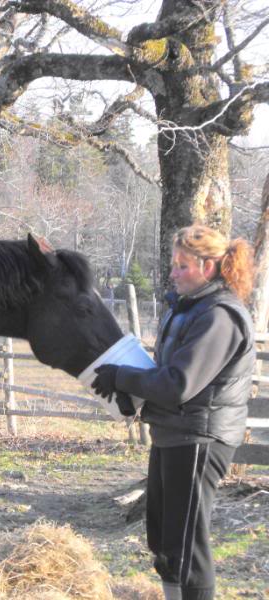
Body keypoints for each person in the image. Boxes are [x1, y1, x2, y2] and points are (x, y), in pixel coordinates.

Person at [91, 224, 256, 600]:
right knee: (165, 541)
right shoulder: (188, 310)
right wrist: (126, 389)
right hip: (173, 432)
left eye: (182, 266)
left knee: (187, 546)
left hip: (200, 437)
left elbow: (180, 383)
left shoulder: (220, 317)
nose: (172, 273)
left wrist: (123, 377)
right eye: (174, 264)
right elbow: (164, 374)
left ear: (209, 267)